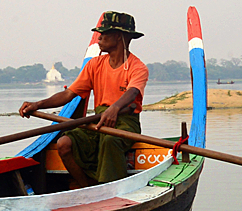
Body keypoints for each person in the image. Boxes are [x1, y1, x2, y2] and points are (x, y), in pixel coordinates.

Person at [20, 11, 149, 187]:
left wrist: (115, 108)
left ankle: (110, 187)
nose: (99, 39)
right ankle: (85, 187)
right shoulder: (95, 65)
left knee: (110, 141)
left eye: (104, 35)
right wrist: (38, 104)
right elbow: (68, 94)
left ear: (118, 37)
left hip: (125, 123)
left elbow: (133, 92)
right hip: (98, 122)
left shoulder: (137, 67)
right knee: (64, 143)